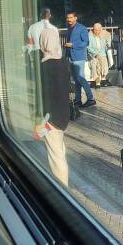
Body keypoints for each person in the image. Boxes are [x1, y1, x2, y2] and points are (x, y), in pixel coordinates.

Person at [37, 28, 70, 185]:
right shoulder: (63, 62)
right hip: (63, 114)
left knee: (56, 155)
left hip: (51, 117)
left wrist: (42, 121)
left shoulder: (45, 65)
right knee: (59, 150)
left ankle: (63, 189)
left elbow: (46, 95)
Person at [65, 11, 96, 107]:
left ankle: (91, 98)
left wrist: (73, 45)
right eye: (68, 17)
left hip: (79, 57)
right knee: (76, 79)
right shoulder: (69, 28)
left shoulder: (81, 28)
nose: (69, 19)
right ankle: (78, 99)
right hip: (70, 56)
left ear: (75, 18)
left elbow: (86, 43)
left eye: (71, 17)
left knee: (80, 78)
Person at [88, 23, 111, 88]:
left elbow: (108, 45)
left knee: (104, 67)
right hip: (93, 55)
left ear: (101, 29)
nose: (97, 31)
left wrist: (108, 43)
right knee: (94, 68)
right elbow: (88, 47)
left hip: (102, 54)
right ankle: (97, 82)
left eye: (98, 30)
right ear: (93, 29)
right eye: (95, 30)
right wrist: (95, 53)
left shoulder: (105, 34)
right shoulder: (89, 36)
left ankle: (103, 80)